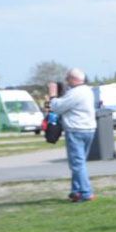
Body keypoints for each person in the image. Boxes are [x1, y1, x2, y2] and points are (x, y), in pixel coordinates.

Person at [47, 68, 96, 202]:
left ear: (73, 79)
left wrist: (52, 95)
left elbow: (57, 108)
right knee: (80, 162)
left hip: (76, 130)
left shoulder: (75, 93)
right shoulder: (88, 91)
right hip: (89, 129)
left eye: (67, 78)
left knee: (77, 164)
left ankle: (86, 192)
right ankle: (75, 191)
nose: (66, 81)